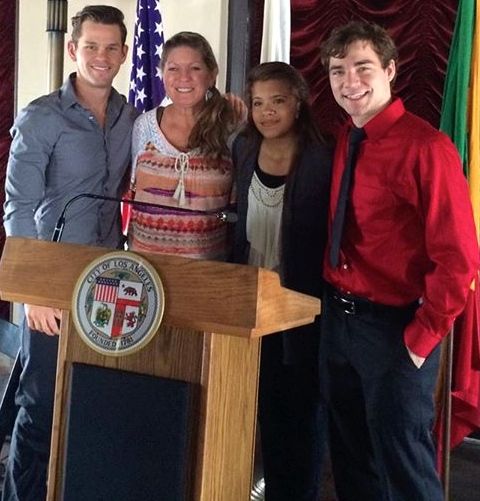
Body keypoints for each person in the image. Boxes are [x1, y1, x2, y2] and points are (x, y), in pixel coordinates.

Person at [319, 20, 479, 501]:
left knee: (405, 466)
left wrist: (421, 338)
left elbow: (459, 260)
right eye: (337, 70)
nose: (350, 83)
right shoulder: (348, 136)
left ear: (390, 69)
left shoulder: (427, 148)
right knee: (350, 461)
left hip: (395, 331)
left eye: (363, 68)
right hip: (338, 321)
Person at [2, 6, 137, 500]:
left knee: (90, 400)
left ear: (124, 53)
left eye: (111, 47)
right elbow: (18, 208)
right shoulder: (42, 117)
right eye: (92, 46)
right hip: (51, 282)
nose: (101, 57)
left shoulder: (132, 117)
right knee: (40, 407)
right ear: (72, 49)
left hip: (109, 279)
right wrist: (32, 292)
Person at [232, 62, 332, 500]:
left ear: (298, 102)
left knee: (301, 415)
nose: (266, 112)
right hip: (249, 304)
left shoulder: (324, 154)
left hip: (301, 307)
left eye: (277, 101)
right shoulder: (242, 148)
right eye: (257, 103)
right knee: (262, 410)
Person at [128, 31, 240, 260]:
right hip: (145, 271)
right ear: (162, 75)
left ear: (212, 75)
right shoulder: (144, 126)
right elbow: (130, 190)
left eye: (195, 68)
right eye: (173, 68)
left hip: (209, 272)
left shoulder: (231, 128)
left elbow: (238, 206)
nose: (184, 77)